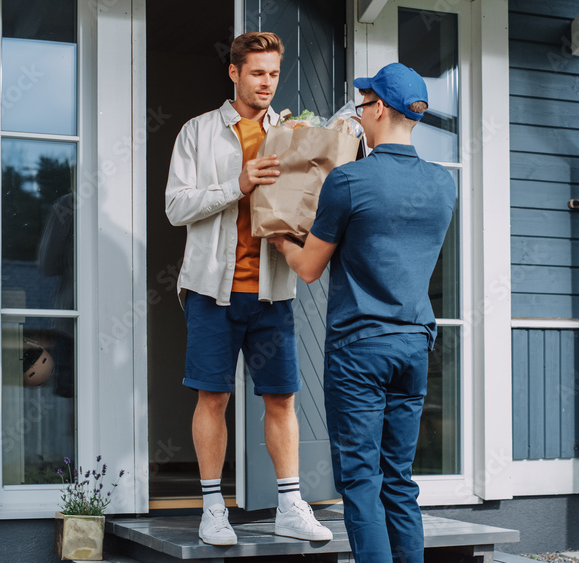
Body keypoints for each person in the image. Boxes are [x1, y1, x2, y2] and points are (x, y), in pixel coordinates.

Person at [271, 63, 456, 563]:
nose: (358, 110)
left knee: (360, 479)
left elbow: (309, 268)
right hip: (414, 345)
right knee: (398, 479)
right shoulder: (443, 185)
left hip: (360, 349)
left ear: (379, 109)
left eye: (363, 102)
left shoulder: (348, 181)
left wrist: (281, 239)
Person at [164, 31, 332, 546]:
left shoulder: (293, 131)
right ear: (233, 72)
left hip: (273, 293)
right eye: (257, 72)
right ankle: (213, 507)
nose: (267, 83)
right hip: (211, 291)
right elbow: (176, 207)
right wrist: (237, 184)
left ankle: (289, 505)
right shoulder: (197, 133)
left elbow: (308, 205)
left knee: (281, 399)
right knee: (212, 398)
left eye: (274, 73)